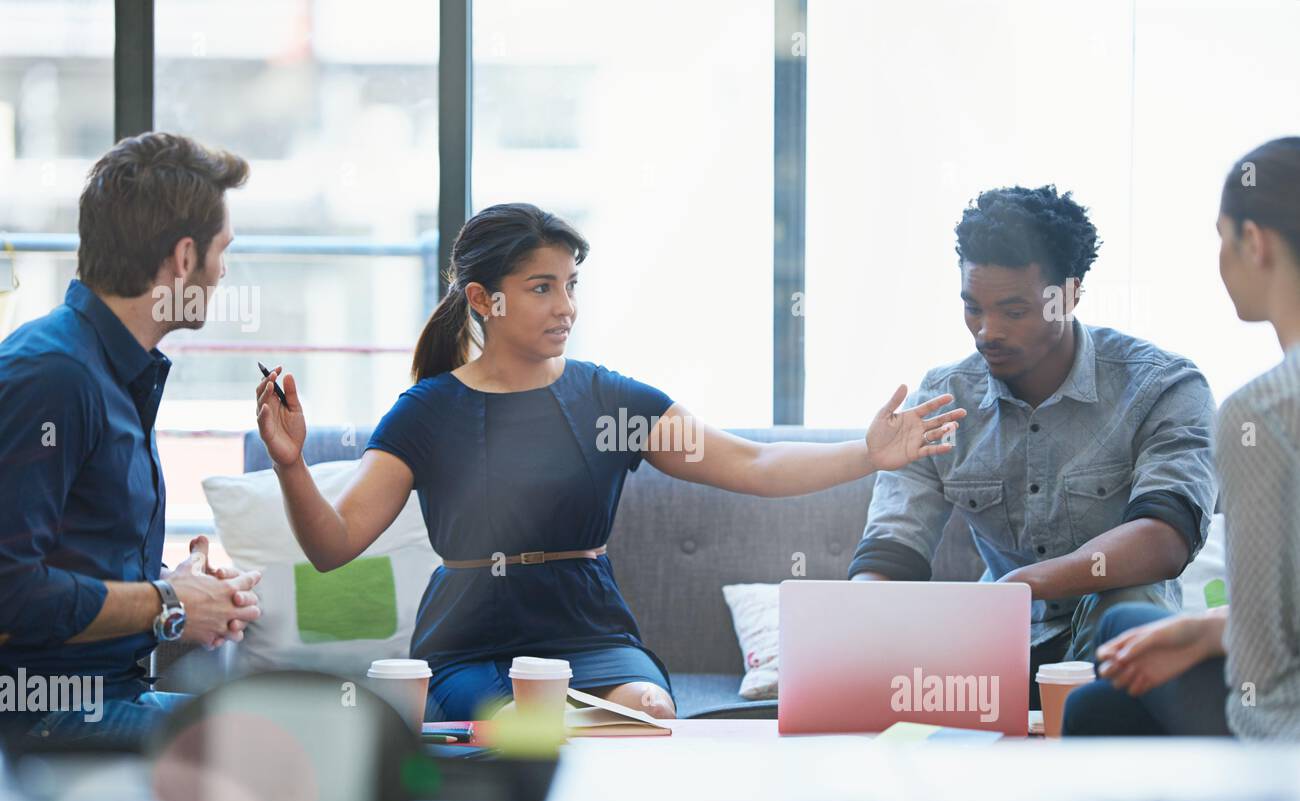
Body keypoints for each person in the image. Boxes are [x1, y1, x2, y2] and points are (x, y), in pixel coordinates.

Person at [254, 202, 966, 722]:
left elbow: (751, 463)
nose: (565, 305)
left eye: (571, 285)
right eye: (543, 287)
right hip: (472, 639)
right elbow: (333, 544)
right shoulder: (428, 410)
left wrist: (869, 454)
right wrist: (291, 465)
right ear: (484, 299)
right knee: (527, 733)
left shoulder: (607, 399)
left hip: (587, 628)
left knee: (648, 711)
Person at [848, 185, 1219, 709]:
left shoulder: (1163, 387)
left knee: (1128, 602)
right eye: (972, 308)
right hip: (999, 643)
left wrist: (1023, 585)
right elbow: (892, 546)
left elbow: (1166, 538)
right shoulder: (942, 400)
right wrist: (854, 624)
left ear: (1068, 294)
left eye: (1013, 311)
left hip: (1118, 639)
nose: (985, 332)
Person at [0, 133, 263, 749]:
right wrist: (166, 600)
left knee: (302, 733)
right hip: (40, 715)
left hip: (106, 694)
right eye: (222, 251)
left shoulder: (108, 369)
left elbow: (69, 565)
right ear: (183, 256)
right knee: (276, 754)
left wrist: (180, 590)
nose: (224, 273)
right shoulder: (55, 376)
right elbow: (9, 591)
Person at [1064, 137, 1300, 739]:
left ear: (1255, 243)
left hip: (1282, 738)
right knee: (1105, 693)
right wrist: (1205, 628)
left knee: (1113, 660)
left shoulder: (1264, 413)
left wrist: (1207, 632)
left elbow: (1265, 665)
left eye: (1222, 237)